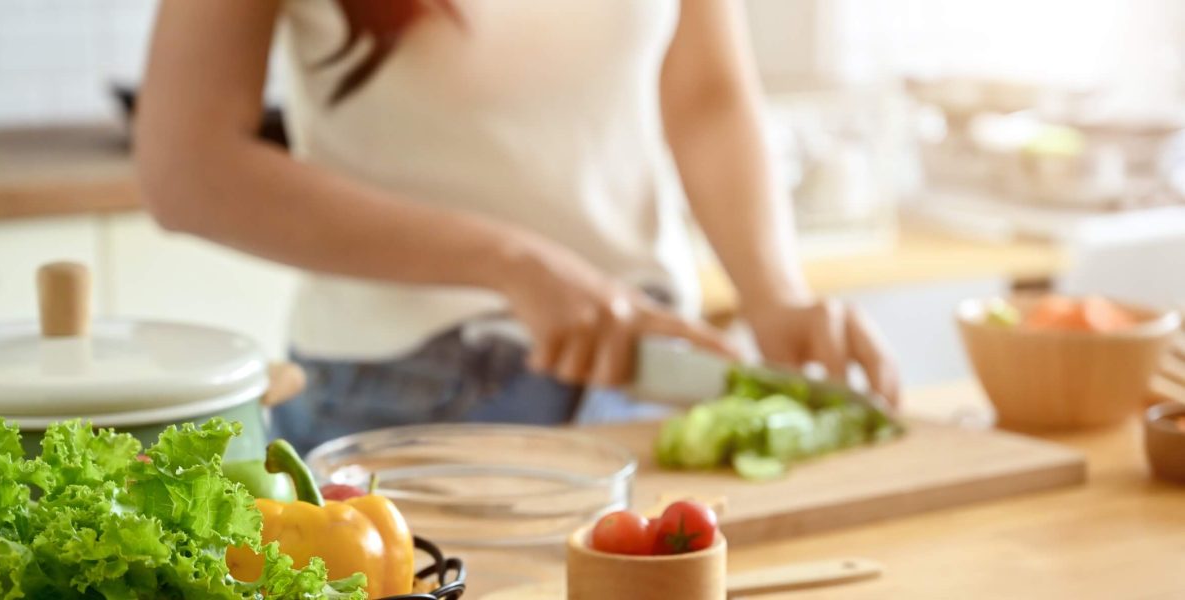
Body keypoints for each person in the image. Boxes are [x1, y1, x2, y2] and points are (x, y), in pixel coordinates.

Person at [135, 0, 900, 454]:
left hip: (648, 378)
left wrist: (774, 292)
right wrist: (513, 263)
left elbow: (704, 92)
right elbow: (186, 168)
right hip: (405, 400)